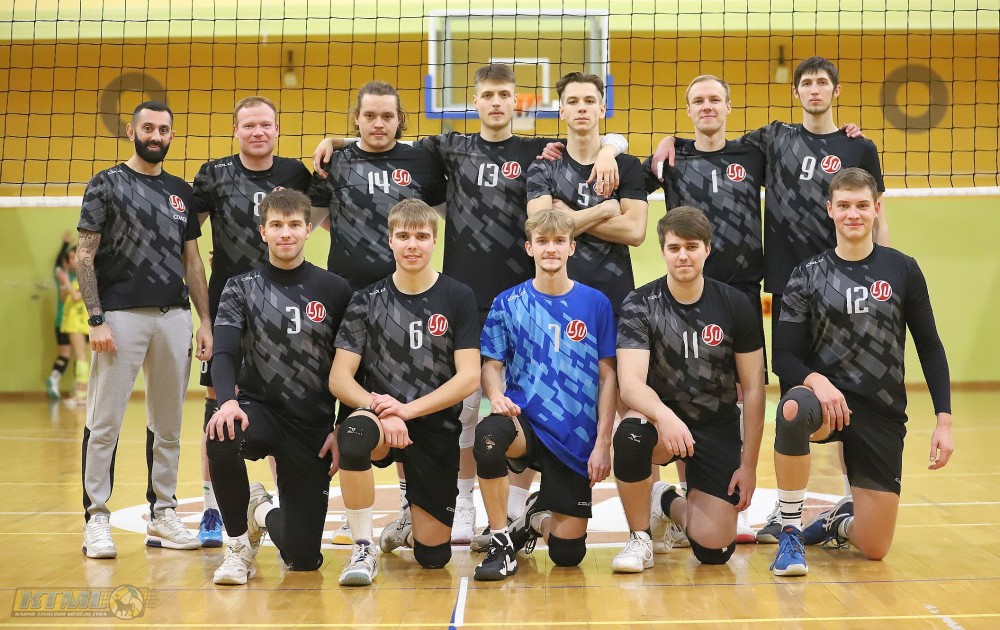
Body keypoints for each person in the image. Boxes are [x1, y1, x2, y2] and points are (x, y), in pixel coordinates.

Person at [313, 65, 628, 545]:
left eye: (504, 94)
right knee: (462, 409)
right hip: (463, 298)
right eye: (487, 94)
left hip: (522, 301)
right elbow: (385, 140)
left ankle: (517, 508)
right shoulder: (450, 146)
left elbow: (593, 138)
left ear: (517, 101)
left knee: (524, 402)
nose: (496, 102)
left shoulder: (537, 151)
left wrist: (610, 147)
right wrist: (337, 142)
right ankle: (460, 503)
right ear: (475, 101)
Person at [654, 57, 886, 543]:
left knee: (847, 388)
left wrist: (881, 268)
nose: (815, 90)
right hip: (778, 285)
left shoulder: (853, 146)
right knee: (752, 392)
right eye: (807, 83)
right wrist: (650, 142)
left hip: (825, 283)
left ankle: (846, 498)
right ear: (795, 92)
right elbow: (650, 163)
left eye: (823, 83)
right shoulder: (768, 140)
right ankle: (695, 501)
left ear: (836, 91)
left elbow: (875, 208)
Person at [768, 168, 952, 576]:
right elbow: (784, 357)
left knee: (874, 547)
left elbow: (930, 345)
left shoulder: (903, 269)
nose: (853, 214)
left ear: (876, 208)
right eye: (845, 205)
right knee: (792, 409)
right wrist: (817, 381)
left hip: (880, 409)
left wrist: (944, 420)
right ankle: (790, 531)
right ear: (830, 209)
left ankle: (840, 522)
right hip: (826, 405)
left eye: (862, 205)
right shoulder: (807, 274)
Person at [308, 80, 448, 544]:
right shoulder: (336, 162)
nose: (379, 123)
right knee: (344, 398)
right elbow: (310, 220)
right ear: (357, 119)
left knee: (405, 394)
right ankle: (344, 509)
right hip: (346, 298)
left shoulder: (421, 160)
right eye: (369, 115)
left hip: (407, 300)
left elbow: (446, 213)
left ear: (400, 120)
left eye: (388, 116)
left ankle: (410, 504)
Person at [77, 101, 212, 558]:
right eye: (148, 128)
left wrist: (205, 320)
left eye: (164, 129)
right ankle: (97, 519)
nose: (156, 135)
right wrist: (96, 318)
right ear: (131, 132)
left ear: (171, 136)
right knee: (104, 423)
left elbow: (192, 261)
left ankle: (163, 513)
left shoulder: (180, 191)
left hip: (173, 317)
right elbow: (85, 254)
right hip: (119, 317)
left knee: (168, 424)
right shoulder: (106, 183)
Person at [642, 75, 767, 545]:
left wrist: (849, 135)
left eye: (715, 99)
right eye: (698, 100)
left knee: (737, 395)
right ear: (689, 110)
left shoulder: (754, 153)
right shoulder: (671, 158)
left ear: (730, 107)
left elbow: (807, 147)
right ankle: (676, 500)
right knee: (681, 391)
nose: (707, 106)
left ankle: (730, 494)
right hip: (684, 297)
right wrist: (616, 146)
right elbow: (619, 178)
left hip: (740, 293)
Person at [329, 199, 480, 586]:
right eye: (403, 236)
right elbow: (340, 379)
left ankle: (410, 525)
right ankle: (362, 547)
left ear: (434, 241)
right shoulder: (366, 299)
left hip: (432, 425)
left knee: (433, 558)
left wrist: (407, 411)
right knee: (354, 433)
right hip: (379, 422)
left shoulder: (458, 296)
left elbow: (469, 377)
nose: (412, 244)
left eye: (422, 236)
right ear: (390, 240)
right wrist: (382, 409)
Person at [205, 189, 353, 585]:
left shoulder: (335, 290)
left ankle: (260, 510)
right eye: (276, 225)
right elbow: (224, 352)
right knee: (221, 433)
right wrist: (226, 403)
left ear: (308, 229)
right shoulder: (240, 287)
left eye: (293, 225)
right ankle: (238, 546)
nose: (285, 233)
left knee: (303, 559)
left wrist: (342, 424)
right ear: (263, 231)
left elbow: (354, 367)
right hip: (260, 411)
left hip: (312, 426)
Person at [611, 206, 765, 573]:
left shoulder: (735, 304)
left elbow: (754, 388)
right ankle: (640, 537)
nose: (683, 255)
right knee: (630, 435)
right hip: (661, 424)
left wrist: (749, 466)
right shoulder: (640, 303)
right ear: (663, 251)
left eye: (692, 247)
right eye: (674, 247)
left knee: (715, 550)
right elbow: (629, 384)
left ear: (707, 249)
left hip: (716, 425)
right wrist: (664, 416)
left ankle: (664, 500)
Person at [192, 95, 311, 548]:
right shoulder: (214, 174)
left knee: (283, 402)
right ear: (236, 131)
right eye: (249, 126)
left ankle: (284, 501)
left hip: (282, 308)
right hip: (228, 307)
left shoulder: (295, 173)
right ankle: (212, 508)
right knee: (216, 405)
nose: (258, 132)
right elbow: (187, 235)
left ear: (277, 130)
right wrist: (204, 318)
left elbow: (317, 219)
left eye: (265, 125)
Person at [472, 209, 615, 581]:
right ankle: (501, 540)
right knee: (488, 436)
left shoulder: (596, 304)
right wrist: (496, 395)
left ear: (571, 248)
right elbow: (491, 364)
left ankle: (533, 519)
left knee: (568, 555)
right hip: (525, 422)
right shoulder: (507, 303)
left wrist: (603, 442)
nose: (550, 249)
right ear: (529, 248)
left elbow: (608, 377)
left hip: (575, 434)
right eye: (542, 242)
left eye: (558, 242)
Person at [526, 71, 648, 316]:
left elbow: (635, 232)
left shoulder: (626, 166)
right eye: (573, 101)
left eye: (589, 101)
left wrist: (566, 217)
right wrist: (603, 210)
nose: (581, 107)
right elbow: (543, 230)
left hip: (614, 298)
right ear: (562, 112)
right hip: (556, 298)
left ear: (602, 109)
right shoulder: (543, 167)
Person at [56, 246, 89, 406]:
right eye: (69, 258)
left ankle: (82, 394)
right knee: (79, 356)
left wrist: (66, 282)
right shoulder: (74, 278)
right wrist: (65, 284)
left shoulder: (86, 275)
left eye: (73, 257)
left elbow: (76, 297)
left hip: (79, 322)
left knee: (81, 356)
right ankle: (80, 391)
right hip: (72, 321)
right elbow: (64, 298)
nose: (71, 261)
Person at [46, 232, 74, 400]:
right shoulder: (64, 277)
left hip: (76, 322)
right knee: (71, 354)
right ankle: (56, 380)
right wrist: (64, 245)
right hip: (66, 322)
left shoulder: (81, 275)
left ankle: (56, 378)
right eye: (71, 258)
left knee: (70, 354)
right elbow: (58, 264)